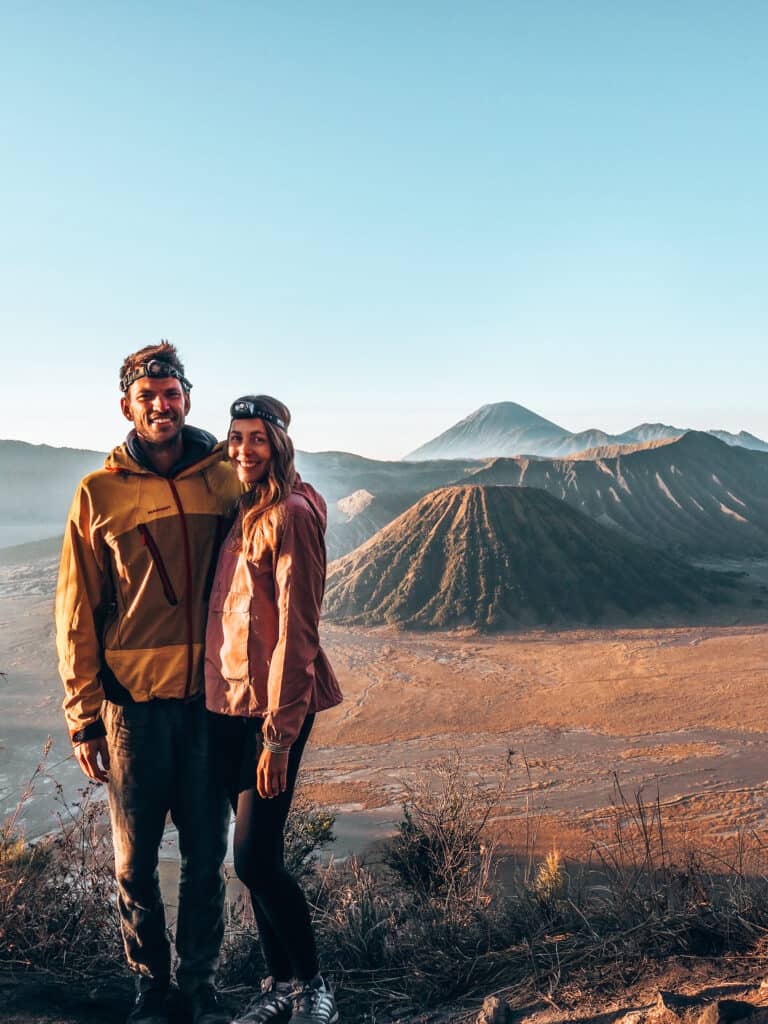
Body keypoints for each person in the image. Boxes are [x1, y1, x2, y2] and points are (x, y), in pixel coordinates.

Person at [55, 342, 242, 1024]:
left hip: (207, 707)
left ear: (186, 398)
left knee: (204, 860)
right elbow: (75, 611)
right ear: (127, 407)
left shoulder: (223, 476)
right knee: (133, 866)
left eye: (171, 393)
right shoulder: (98, 494)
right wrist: (82, 715)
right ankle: (150, 987)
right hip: (130, 712)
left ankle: (198, 988)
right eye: (147, 397)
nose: (160, 405)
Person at [205, 395, 343, 1024]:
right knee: (253, 857)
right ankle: (280, 986)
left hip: (273, 712)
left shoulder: (290, 514)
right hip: (234, 704)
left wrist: (279, 738)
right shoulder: (245, 509)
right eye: (236, 438)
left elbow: (298, 629)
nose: (243, 449)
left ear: (280, 443)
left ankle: (314, 986)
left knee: (257, 858)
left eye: (257, 438)